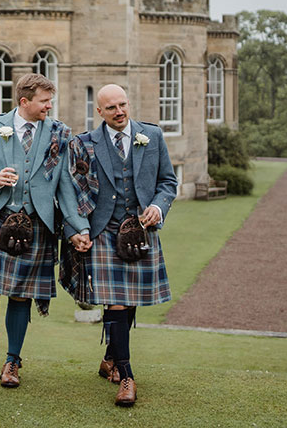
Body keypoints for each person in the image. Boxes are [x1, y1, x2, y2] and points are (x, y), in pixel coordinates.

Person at [0, 72, 88, 389]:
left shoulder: (58, 133)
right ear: (24, 101)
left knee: (22, 295)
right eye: (44, 101)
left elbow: (65, 185)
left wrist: (77, 226)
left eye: (50, 100)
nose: (49, 106)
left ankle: (12, 363)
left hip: (37, 222)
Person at [63, 83, 177, 407]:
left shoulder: (151, 136)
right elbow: (74, 190)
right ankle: (127, 376)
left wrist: (159, 205)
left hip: (140, 230)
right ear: (99, 111)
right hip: (102, 231)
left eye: (123, 104)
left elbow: (168, 182)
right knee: (116, 301)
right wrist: (76, 228)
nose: (119, 111)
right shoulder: (85, 143)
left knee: (128, 303)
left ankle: (111, 356)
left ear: (129, 103)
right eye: (111, 107)